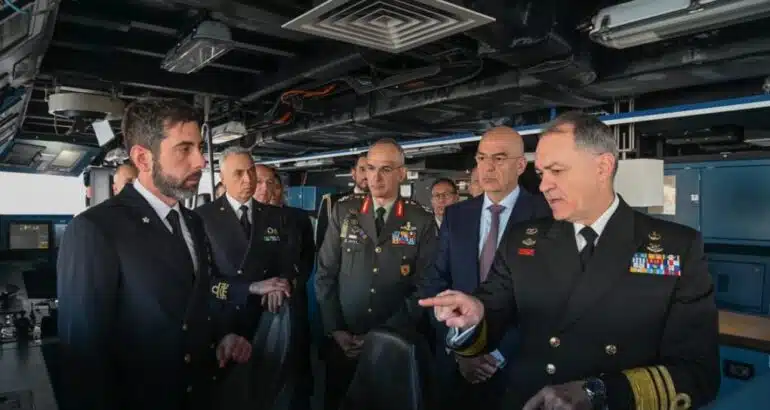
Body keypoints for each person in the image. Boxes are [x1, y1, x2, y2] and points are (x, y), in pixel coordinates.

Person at [419, 111, 720, 410]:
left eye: (557, 171)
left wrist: (598, 393)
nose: (543, 185)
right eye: (541, 173)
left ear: (603, 167)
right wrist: (473, 316)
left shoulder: (676, 248)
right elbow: (492, 311)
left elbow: (697, 373)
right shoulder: (523, 240)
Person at [57, 98, 253, 410]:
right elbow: (83, 358)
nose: (201, 161)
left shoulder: (193, 222)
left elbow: (197, 300)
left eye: (199, 148)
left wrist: (222, 336)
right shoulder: (96, 230)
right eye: (184, 149)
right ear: (143, 158)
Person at [420, 126, 551, 409]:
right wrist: (461, 347)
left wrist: (499, 354)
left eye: (499, 159)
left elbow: (547, 299)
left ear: (520, 165)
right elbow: (435, 282)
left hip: (516, 365)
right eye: (481, 158)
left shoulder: (546, 215)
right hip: (456, 365)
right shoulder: (457, 216)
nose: (487, 168)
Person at [315, 138, 438, 410]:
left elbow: (426, 284)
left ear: (401, 173)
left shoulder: (420, 220)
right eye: (371, 168)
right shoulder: (344, 211)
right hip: (345, 341)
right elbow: (325, 273)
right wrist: (335, 329)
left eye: (386, 169)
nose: (376, 177)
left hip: (395, 343)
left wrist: (382, 334)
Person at [316, 155, 368, 248]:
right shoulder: (332, 202)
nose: (367, 175)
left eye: (371, 169)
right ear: (353, 173)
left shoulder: (388, 204)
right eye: (362, 169)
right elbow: (322, 245)